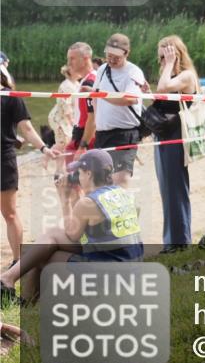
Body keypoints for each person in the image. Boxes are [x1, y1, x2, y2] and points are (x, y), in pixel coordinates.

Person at [0, 149, 142, 307]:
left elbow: (71, 234)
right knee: (50, 238)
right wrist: (76, 198)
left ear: (88, 174)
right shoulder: (124, 194)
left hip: (111, 277)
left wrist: (64, 199)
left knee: (44, 254)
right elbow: (92, 231)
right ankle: (11, 284)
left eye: (79, 173)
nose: (78, 177)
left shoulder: (88, 203)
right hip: (131, 270)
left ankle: (15, 291)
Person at [0, 63, 56, 267]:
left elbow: (27, 128)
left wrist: (44, 149)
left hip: (3, 160)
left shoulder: (11, 97)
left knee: (10, 213)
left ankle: (17, 260)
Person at [153, 35, 199, 251]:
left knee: (176, 189)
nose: (162, 62)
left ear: (176, 55)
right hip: (164, 136)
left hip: (176, 137)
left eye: (166, 56)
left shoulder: (187, 75)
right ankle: (171, 240)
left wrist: (170, 65)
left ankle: (179, 242)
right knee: (167, 190)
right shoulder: (170, 75)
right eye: (161, 58)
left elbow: (163, 89)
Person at [90, 34, 147, 189]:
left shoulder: (133, 72)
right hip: (102, 133)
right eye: (109, 56)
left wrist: (103, 95)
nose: (112, 60)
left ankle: (125, 212)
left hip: (124, 133)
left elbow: (129, 98)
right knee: (101, 183)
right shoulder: (102, 69)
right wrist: (97, 118)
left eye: (117, 57)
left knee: (120, 182)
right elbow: (94, 95)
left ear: (126, 54)